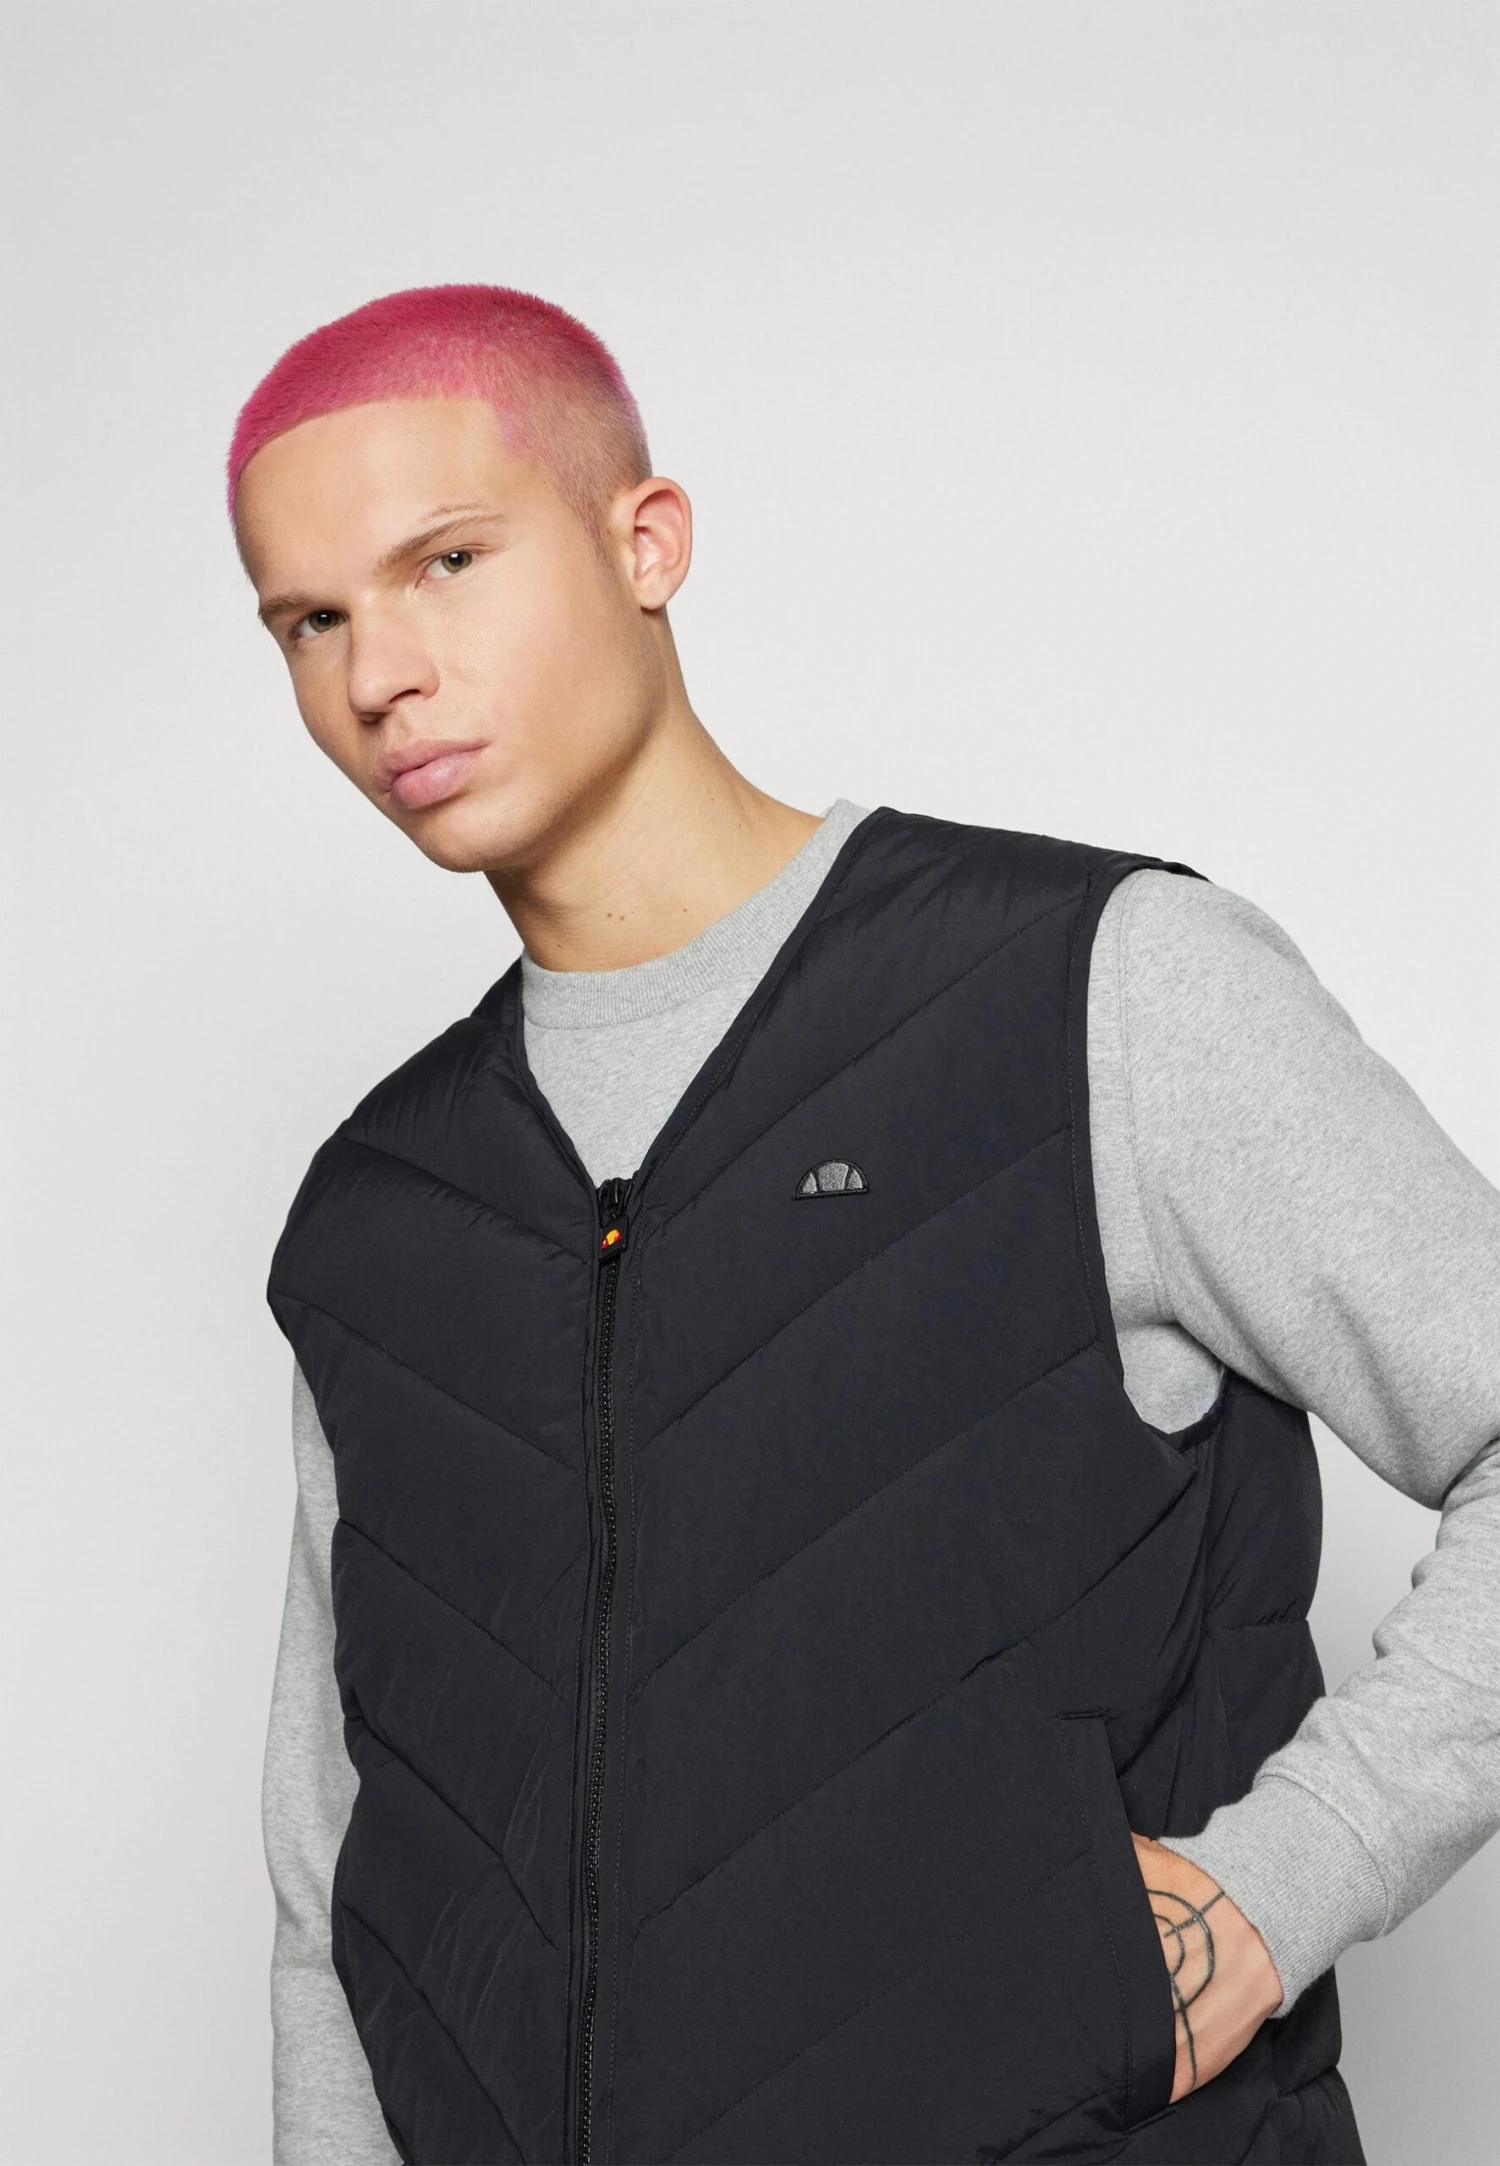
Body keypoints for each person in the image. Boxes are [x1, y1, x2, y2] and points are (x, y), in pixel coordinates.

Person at [231, 285, 1500, 2166]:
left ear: (646, 542)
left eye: (446, 563)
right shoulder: (381, 1214)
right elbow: (339, 1864)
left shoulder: (1095, 992)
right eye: (311, 620)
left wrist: (1292, 1875)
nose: (379, 676)